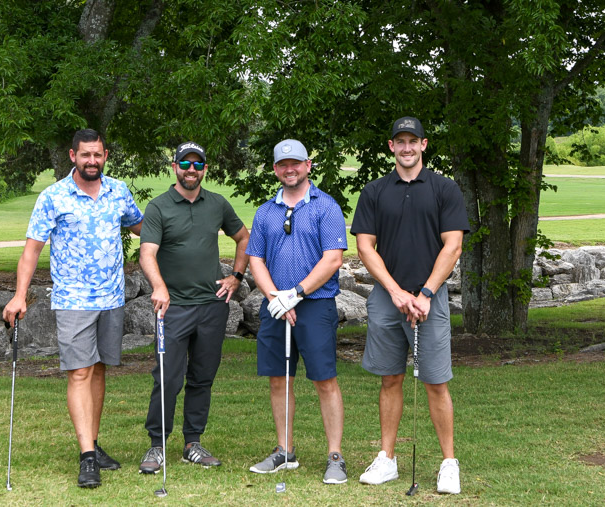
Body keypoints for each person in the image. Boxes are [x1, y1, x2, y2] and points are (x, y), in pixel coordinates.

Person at [2, 129, 143, 488]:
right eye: (85, 155)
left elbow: (145, 228)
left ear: (106, 155)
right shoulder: (53, 196)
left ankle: (93, 446)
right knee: (79, 373)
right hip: (73, 300)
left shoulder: (119, 192)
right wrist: (19, 296)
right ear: (72, 156)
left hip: (112, 298)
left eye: (97, 155)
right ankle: (86, 459)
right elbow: (31, 250)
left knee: (98, 371)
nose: (91, 161)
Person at [350, 117, 469, 494]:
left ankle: (449, 463)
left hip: (428, 296)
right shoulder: (374, 191)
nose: (406, 147)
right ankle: (387, 459)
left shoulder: (444, 188)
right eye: (399, 141)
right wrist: (397, 293)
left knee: (436, 382)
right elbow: (365, 247)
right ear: (391, 146)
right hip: (388, 298)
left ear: (423, 145)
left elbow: (453, 246)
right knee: (390, 378)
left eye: (412, 141)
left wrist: (426, 294)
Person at [138, 141, 250, 474]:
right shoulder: (158, 207)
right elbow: (147, 253)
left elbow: (243, 237)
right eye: (185, 164)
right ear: (174, 167)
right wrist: (159, 287)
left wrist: (236, 276)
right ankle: (157, 445)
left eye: (197, 165)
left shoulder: (217, 204)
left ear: (204, 169)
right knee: (168, 378)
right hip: (172, 309)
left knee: (202, 378)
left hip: (212, 306)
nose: (191, 170)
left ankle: (192, 444)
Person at [246, 139, 348, 484]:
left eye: (296, 163)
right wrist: (275, 296)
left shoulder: (326, 207)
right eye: (282, 164)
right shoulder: (265, 212)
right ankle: (284, 451)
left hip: (315, 306)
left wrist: (297, 293)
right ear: (275, 169)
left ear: (307, 165)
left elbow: (333, 259)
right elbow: (255, 258)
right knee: (279, 379)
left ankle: (335, 455)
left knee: (324, 380)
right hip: (275, 306)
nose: (290, 169)